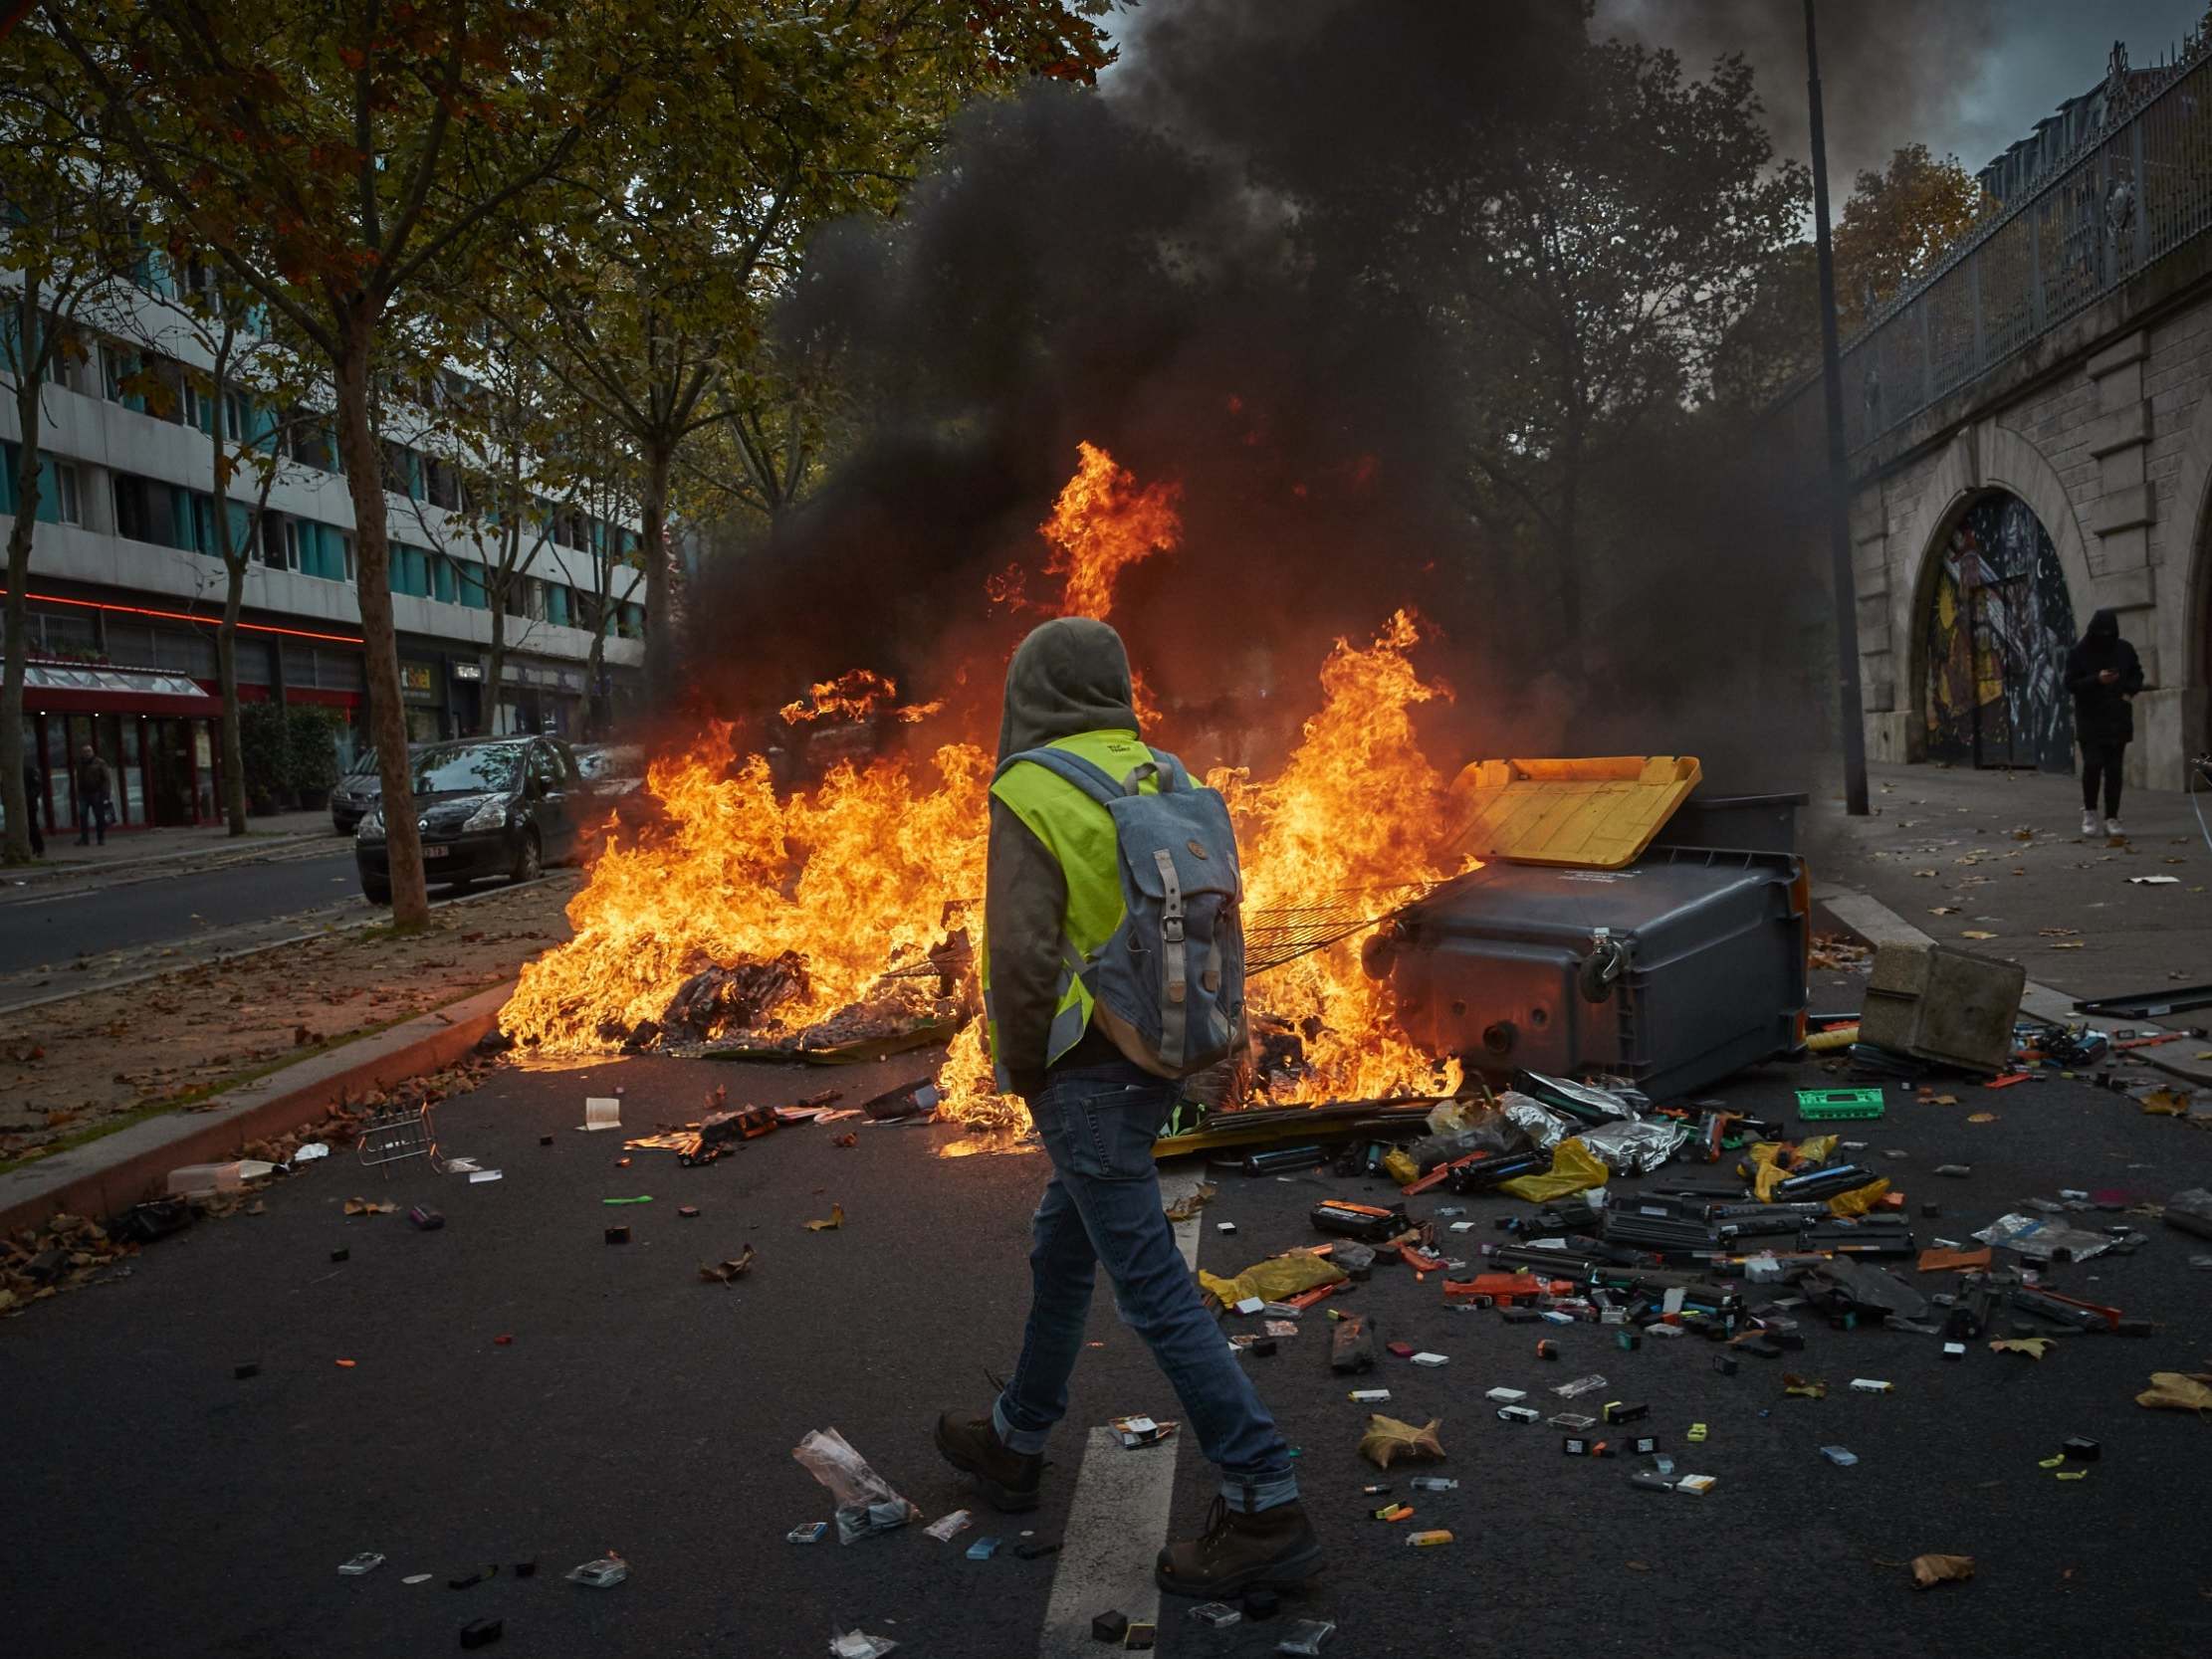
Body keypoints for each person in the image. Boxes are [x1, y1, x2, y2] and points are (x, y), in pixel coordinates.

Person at [934, 616, 1319, 1600]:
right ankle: (1018, 1436)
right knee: (1062, 1244)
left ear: (1031, 690)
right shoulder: (1165, 772)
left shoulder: (1028, 787)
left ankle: (1263, 1496)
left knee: (1147, 1283)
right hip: (1157, 1050)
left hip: (1082, 1066)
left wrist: (1020, 1067)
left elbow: (1019, 954)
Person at [2066, 608, 2143, 838]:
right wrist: (2096, 680)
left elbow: (2137, 674)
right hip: (2090, 717)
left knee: (2114, 770)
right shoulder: (2079, 652)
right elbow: (2070, 683)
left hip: (2117, 717)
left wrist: (2129, 692)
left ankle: (2112, 816)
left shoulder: (2124, 649)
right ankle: (2090, 811)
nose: (2105, 638)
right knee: (2092, 765)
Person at [75, 743, 111, 847]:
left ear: (92, 752)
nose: (87, 753)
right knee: (83, 816)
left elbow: (106, 779)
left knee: (99, 816)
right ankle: (84, 839)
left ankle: (101, 838)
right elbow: (78, 778)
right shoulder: (80, 763)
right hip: (83, 793)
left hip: (96, 793)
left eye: (89, 751)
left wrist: (105, 794)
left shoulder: (99, 762)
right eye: (85, 751)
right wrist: (78, 792)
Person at [21, 756, 44, 857]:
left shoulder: (29, 770)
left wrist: (31, 796)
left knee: (32, 826)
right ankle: (25, 847)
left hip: (30, 803)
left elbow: (38, 786)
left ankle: (39, 848)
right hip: (18, 805)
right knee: (21, 826)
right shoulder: (9, 772)